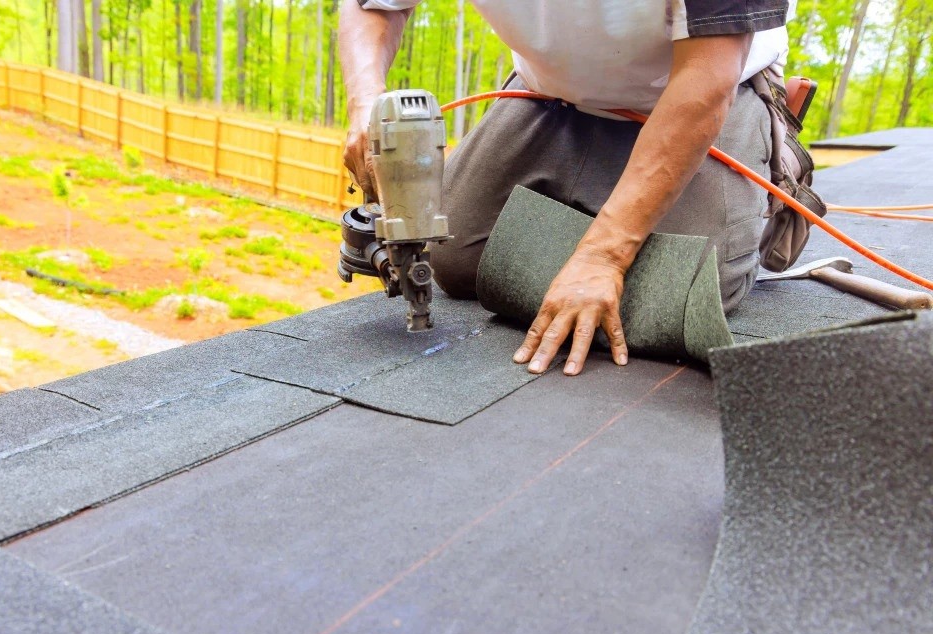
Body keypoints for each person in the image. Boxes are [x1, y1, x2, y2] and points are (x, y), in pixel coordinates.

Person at [339, 0, 792, 376]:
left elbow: (707, 78)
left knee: (689, 296)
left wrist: (605, 255)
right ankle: (606, 212)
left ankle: (757, 205)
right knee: (454, 260)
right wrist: (364, 105)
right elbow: (373, 6)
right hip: (550, 92)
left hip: (700, 93)